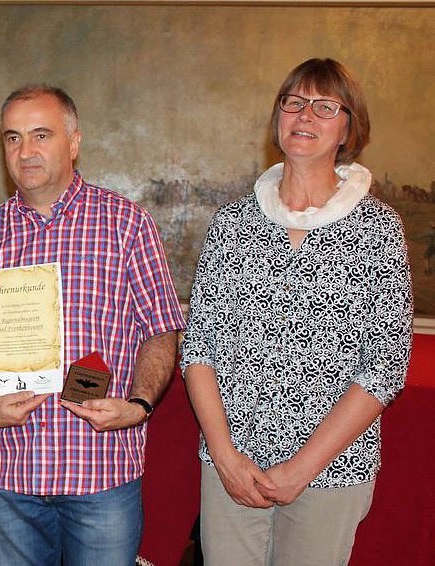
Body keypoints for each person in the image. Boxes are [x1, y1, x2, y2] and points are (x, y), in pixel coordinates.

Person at [0, 84, 184, 565]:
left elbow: (160, 330)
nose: (25, 151)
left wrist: (138, 405)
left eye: (41, 135)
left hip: (100, 470)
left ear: (74, 142)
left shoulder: (127, 224)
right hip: (11, 471)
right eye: (12, 138)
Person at [181, 58, 412, 565]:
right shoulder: (232, 224)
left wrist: (300, 469)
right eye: (294, 102)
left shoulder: (377, 229)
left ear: (349, 129)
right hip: (231, 469)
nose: (305, 115)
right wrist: (224, 457)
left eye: (325, 106)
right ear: (278, 116)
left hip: (330, 473)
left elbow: (385, 367)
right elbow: (198, 349)